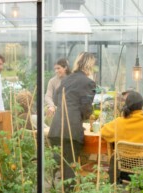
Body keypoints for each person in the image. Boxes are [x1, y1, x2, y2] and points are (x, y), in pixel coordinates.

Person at [47, 52, 96, 184]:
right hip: (71, 131)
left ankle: (52, 188)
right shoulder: (88, 82)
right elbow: (86, 108)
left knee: (58, 164)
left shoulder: (66, 79)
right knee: (70, 168)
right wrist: (87, 116)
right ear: (89, 65)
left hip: (56, 129)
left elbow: (57, 100)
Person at [101, 91, 143, 183]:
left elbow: (103, 131)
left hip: (125, 164)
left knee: (114, 158)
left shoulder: (120, 122)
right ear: (142, 106)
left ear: (126, 105)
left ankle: (115, 185)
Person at [45, 58, 71, 124]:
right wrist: (52, 106)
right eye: (55, 69)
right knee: (48, 110)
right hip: (56, 108)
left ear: (65, 68)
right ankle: (50, 131)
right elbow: (48, 96)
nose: (56, 71)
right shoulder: (52, 81)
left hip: (69, 109)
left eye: (58, 68)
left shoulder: (72, 79)